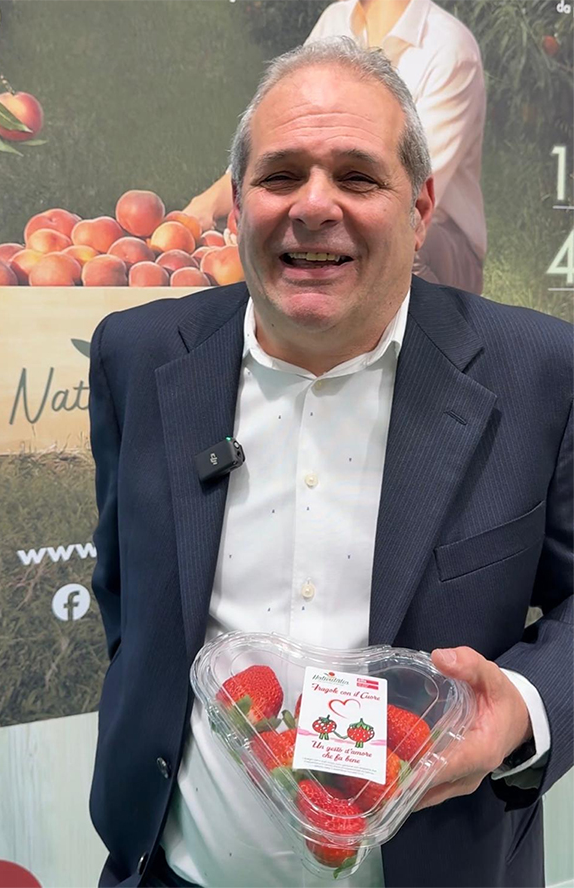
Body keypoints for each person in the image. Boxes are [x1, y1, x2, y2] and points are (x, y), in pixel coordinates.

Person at [88, 39, 572, 888]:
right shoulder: (139, 355)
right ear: (237, 202)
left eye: (357, 177)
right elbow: (126, 588)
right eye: (280, 176)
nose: (314, 206)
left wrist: (521, 712)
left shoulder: (537, 372)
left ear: (420, 207)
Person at [184, 0, 487, 294]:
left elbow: (407, 190)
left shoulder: (449, 49)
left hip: (438, 246)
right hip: (353, 206)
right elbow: (278, 136)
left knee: (393, 231)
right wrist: (204, 207)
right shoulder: (336, 19)